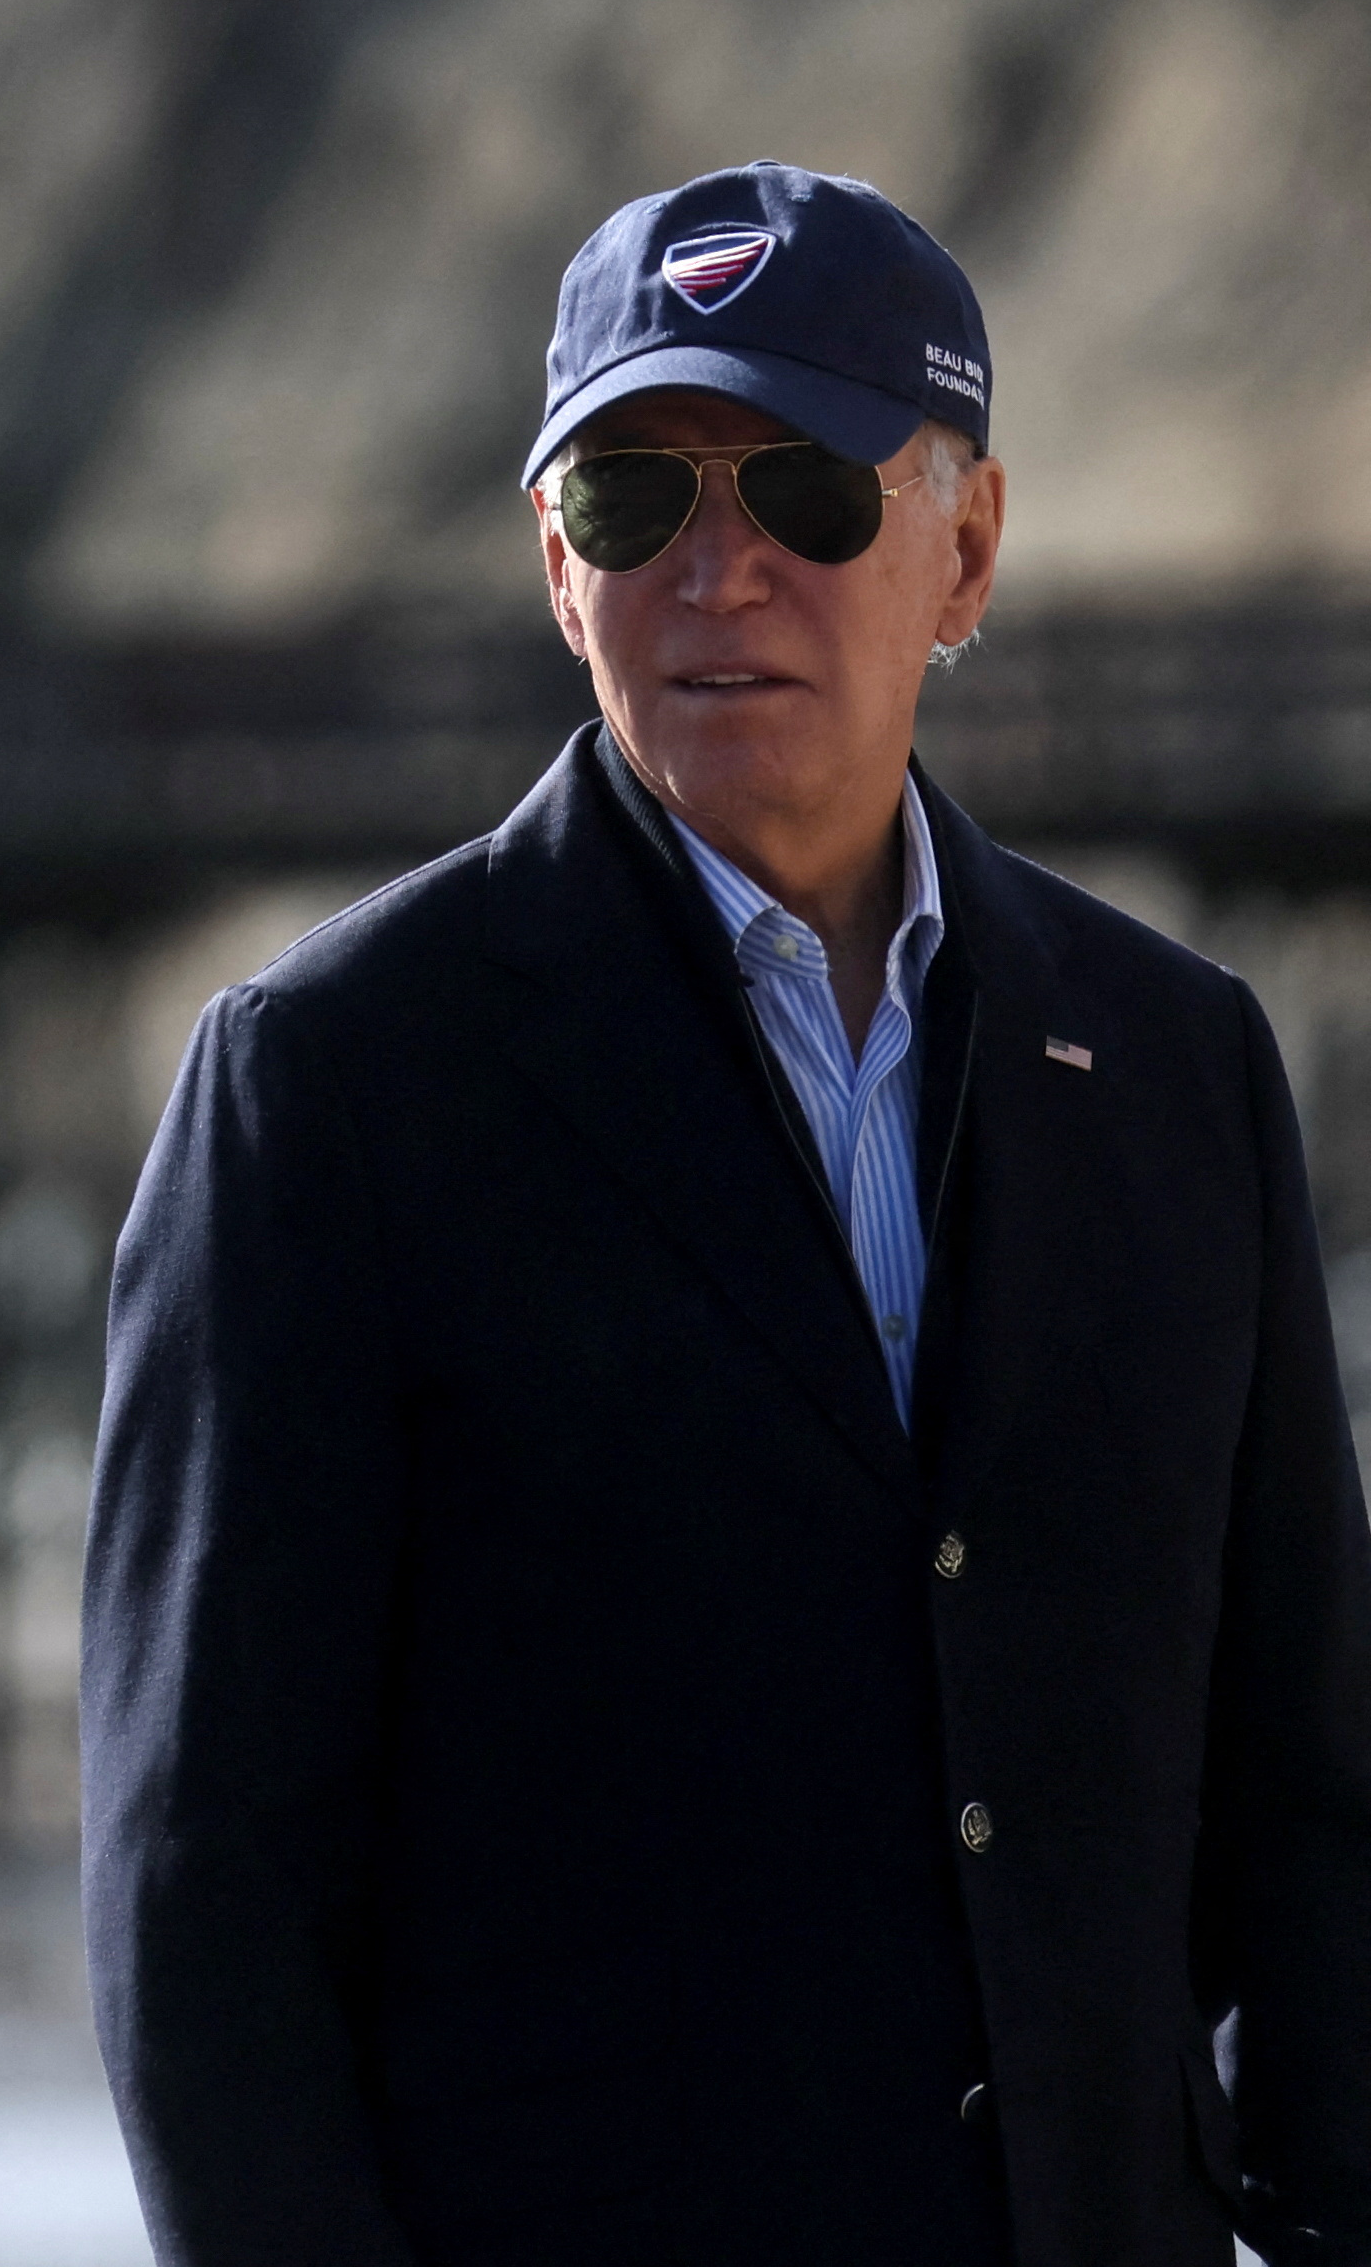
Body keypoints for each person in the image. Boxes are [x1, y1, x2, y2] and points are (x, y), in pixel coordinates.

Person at [81, 161, 1371, 2267]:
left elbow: (1311, 1804)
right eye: (632, 499)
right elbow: (200, 1898)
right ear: (556, 566)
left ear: (968, 549)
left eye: (807, 488)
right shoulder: (331, 1085)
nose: (719, 567)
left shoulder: (1176, 1065)